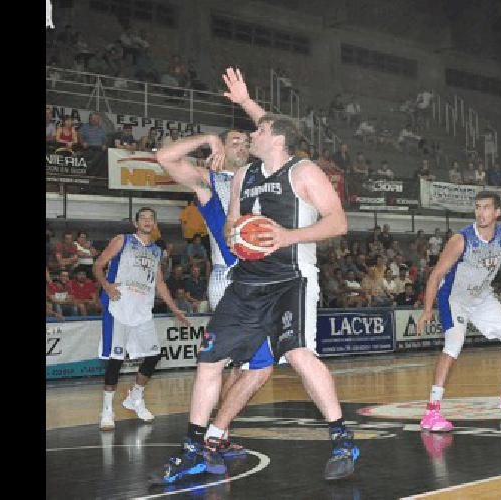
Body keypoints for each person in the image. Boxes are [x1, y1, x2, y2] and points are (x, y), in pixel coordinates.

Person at [152, 67, 358, 484]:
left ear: (275, 140)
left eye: (257, 131)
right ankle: (195, 447)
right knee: (209, 362)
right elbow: (230, 225)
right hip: (245, 280)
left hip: (291, 279)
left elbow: (338, 224)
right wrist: (238, 234)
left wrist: (285, 236)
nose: (251, 135)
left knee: (298, 355)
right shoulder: (243, 176)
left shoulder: (303, 171)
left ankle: (341, 438)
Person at [157, 126, 271, 459]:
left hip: (260, 279)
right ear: (222, 146)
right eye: (234, 140)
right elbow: (164, 157)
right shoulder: (211, 179)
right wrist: (207, 139)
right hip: (231, 277)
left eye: (245, 141)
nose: (242, 145)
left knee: (245, 367)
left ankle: (217, 433)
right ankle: (207, 436)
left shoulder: (256, 180)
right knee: (232, 365)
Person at [417, 192, 501, 431]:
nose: (481, 212)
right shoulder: (461, 239)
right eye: (478, 207)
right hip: (454, 298)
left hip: (482, 298)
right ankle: (431, 412)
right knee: (453, 345)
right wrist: (427, 309)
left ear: (497, 212)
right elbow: (436, 274)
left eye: (486, 208)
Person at [93, 207, 192, 431]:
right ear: (136, 223)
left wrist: (175, 309)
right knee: (116, 360)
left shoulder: (156, 251)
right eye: (143, 218)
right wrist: (107, 286)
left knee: (154, 355)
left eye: (151, 219)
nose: (147, 222)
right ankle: (107, 409)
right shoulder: (123, 240)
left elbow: (159, 284)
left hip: (142, 310)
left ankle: (135, 398)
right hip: (118, 307)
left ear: (155, 224)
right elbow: (97, 265)